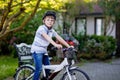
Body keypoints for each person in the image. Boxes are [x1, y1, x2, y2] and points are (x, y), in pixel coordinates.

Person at [31, 11, 72, 80]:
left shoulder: (52, 30)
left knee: (48, 69)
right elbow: (47, 37)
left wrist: (68, 46)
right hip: (37, 51)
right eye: (48, 20)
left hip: (44, 51)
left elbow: (59, 37)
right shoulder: (41, 28)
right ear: (44, 21)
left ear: (54, 22)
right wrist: (55, 44)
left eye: (52, 20)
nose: (50, 21)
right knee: (39, 69)